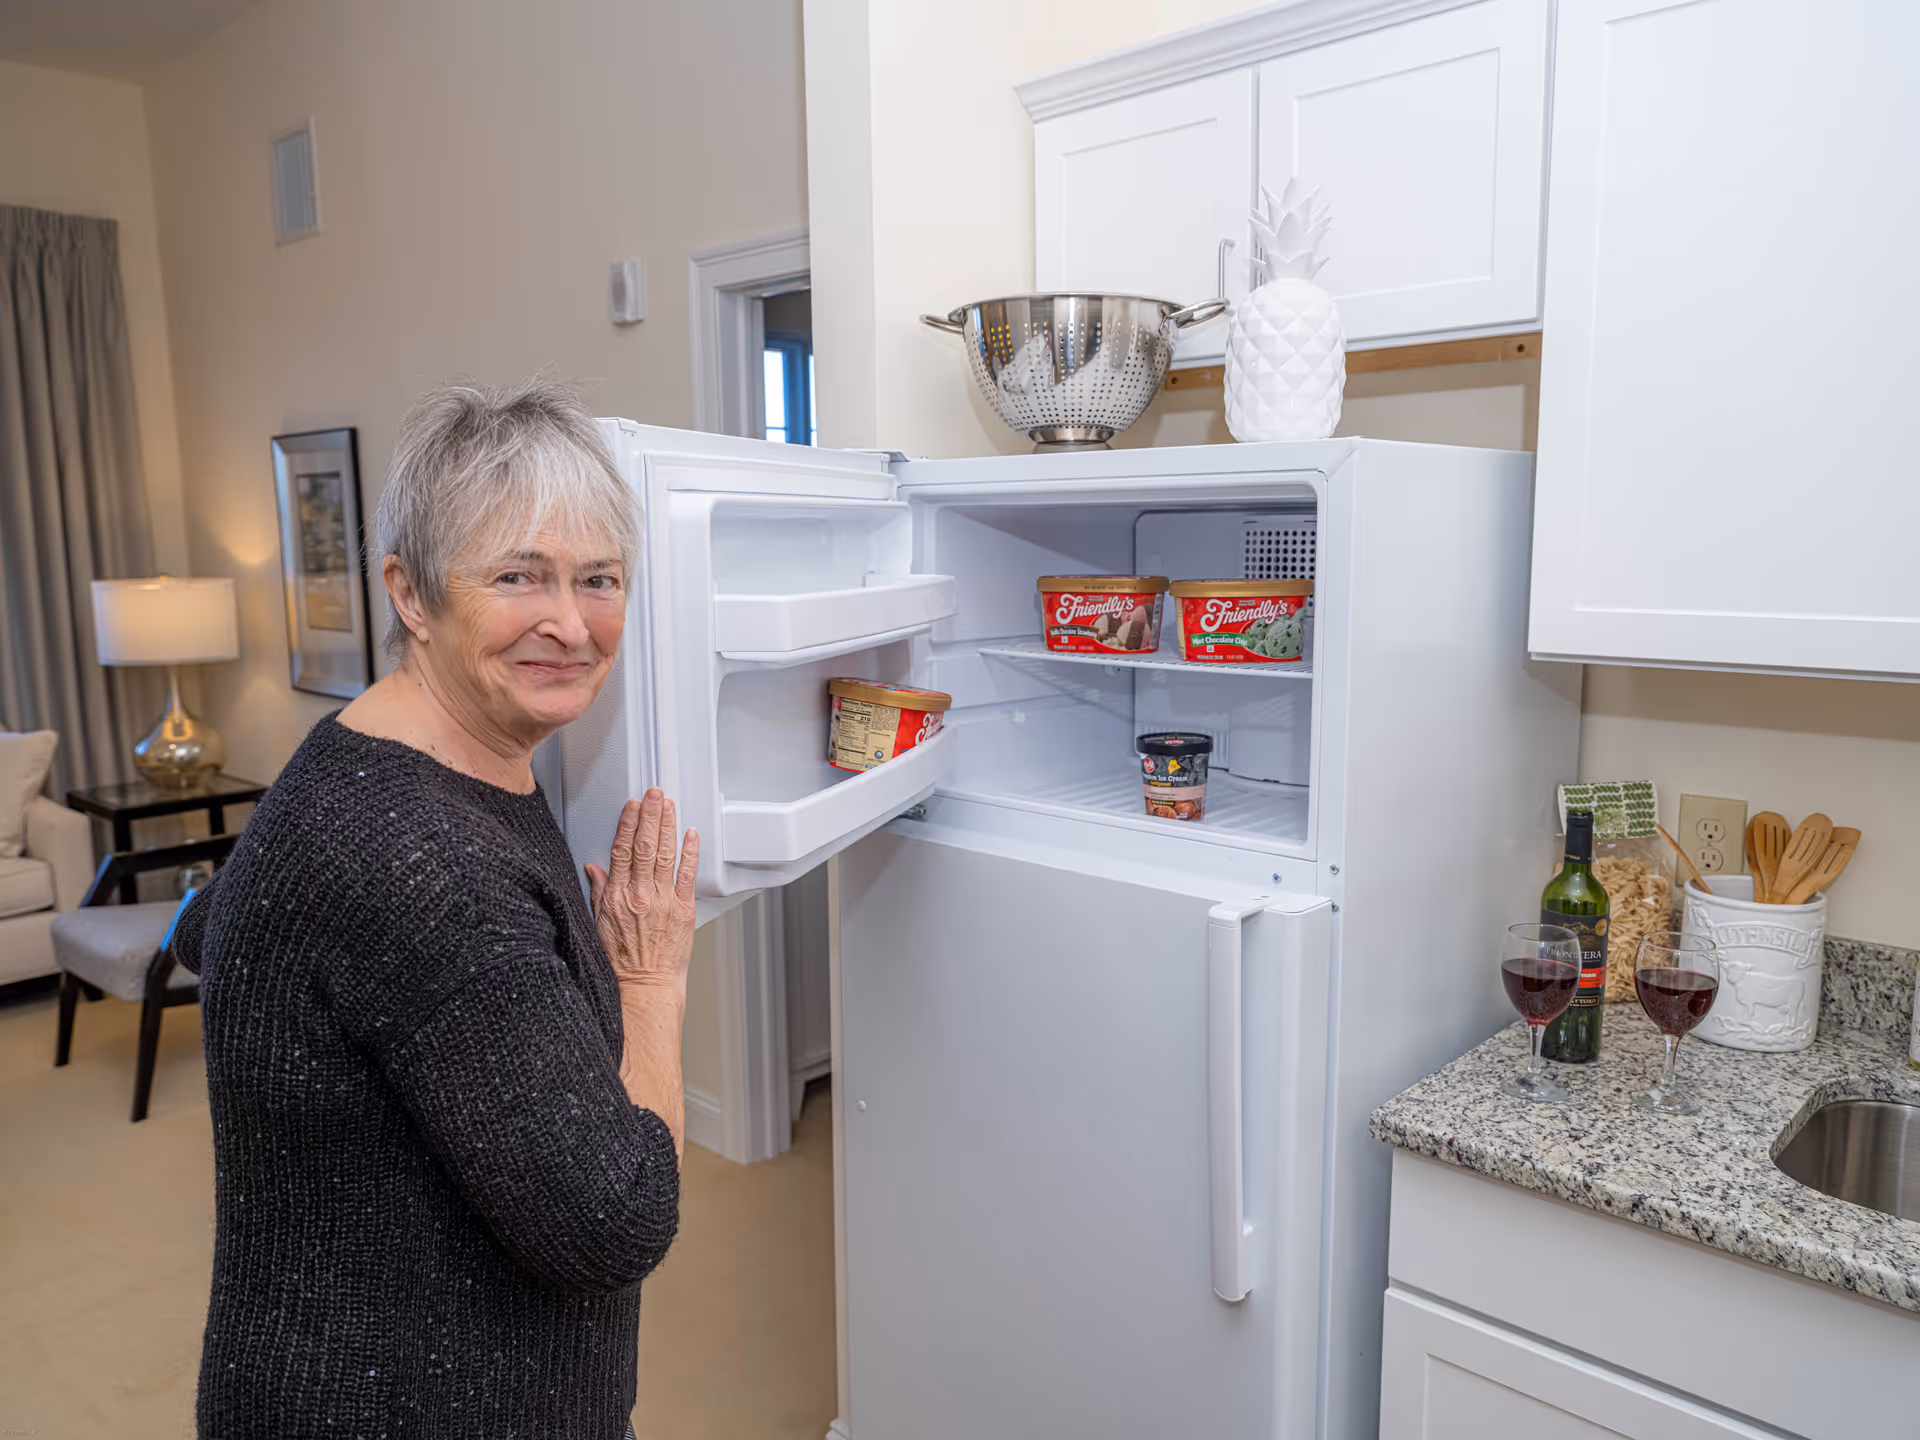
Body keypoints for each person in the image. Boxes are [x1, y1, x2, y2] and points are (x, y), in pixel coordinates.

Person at [170, 379, 695, 1440]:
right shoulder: (428, 866)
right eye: (518, 575)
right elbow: (617, 1220)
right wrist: (648, 980)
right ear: (411, 594)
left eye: (600, 578)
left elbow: (206, 924)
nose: (570, 621)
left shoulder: (377, 756)